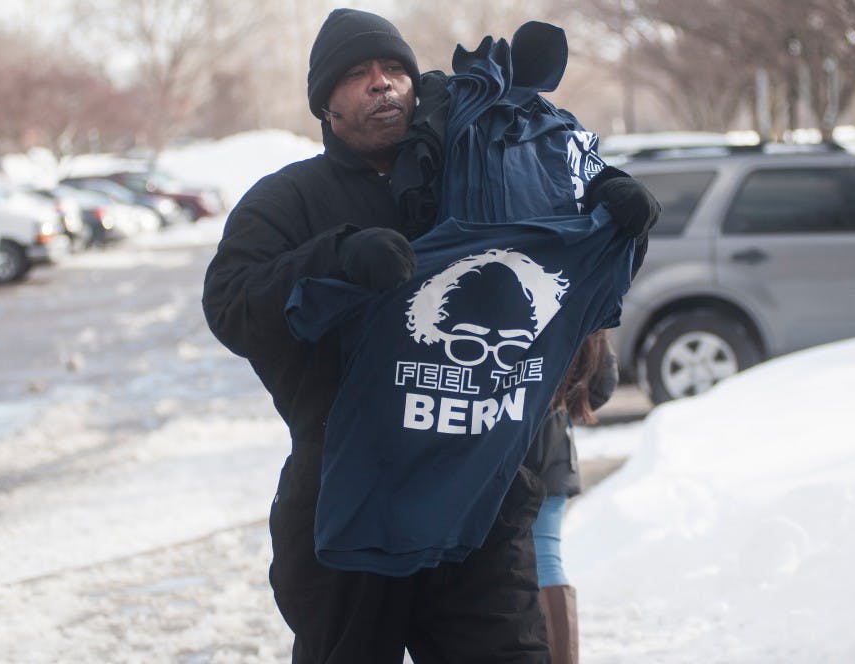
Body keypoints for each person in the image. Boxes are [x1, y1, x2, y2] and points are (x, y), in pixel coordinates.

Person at [203, 8, 658, 663]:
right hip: (349, 506)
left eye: (394, 69)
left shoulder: (474, 169)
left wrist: (611, 196)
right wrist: (334, 257)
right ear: (324, 103)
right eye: (356, 75)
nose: (382, 84)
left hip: (480, 504)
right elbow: (230, 305)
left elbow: (554, 176)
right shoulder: (289, 200)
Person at [526, 331, 619, 664]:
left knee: (493, 565)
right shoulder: (578, 288)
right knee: (547, 559)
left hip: (506, 450)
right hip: (554, 448)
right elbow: (603, 382)